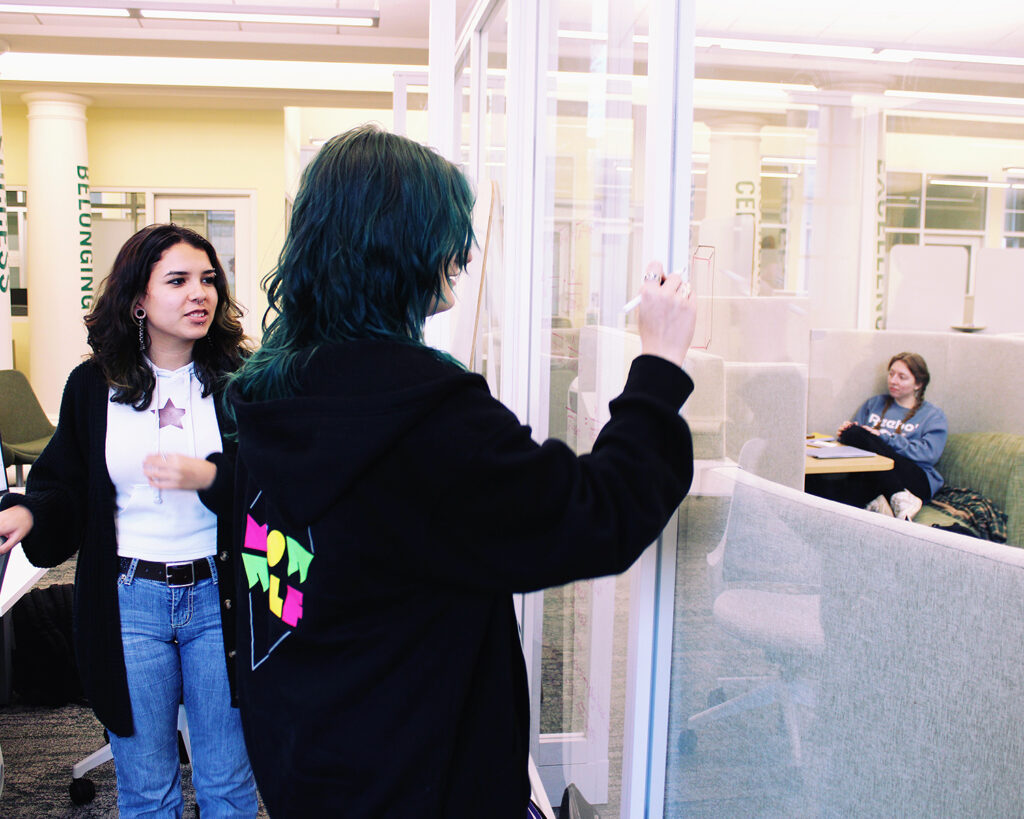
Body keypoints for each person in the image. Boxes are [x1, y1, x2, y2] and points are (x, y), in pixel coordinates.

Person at [226, 124, 698, 817]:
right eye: (448, 233)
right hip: (421, 779)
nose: (465, 253)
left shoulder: (273, 394)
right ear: (400, 247)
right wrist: (659, 364)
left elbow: (282, 593)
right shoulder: (423, 419)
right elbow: (599, 513)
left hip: (310, 761)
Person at [0, 224, 258, 817]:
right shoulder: (94, 385)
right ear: (138, 299)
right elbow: (64, 479)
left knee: (228, 787)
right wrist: (27, 510)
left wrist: (209, 477)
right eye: (179, 281)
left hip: (222, 599)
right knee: (146, 790)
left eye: (208, 280)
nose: (201, 294)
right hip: (128, 600)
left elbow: (274, 487)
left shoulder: (241, 382)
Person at [806, 352, 948, 520]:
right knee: (811, 485)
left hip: (915, 478)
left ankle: (900, 495)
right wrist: (846, 434)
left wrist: (881, 438)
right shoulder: (874, 404)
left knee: (857, 434)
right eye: (891, 374)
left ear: (918, 384)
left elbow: (928, 454)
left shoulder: (932, 415)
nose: (893, 380)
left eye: (902, 377)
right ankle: (886, 499)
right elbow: (857, 443)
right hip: (871, 475)